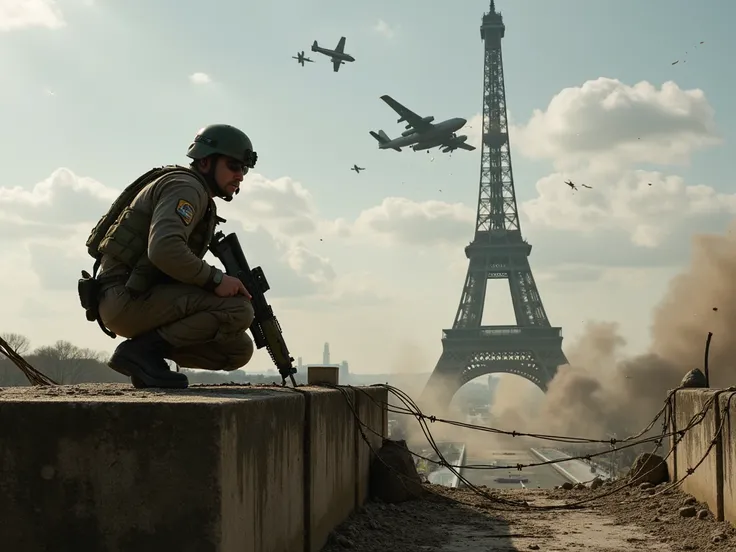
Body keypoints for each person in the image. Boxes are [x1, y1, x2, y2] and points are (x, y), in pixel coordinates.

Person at [95, 124, 258, 389]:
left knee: (237, 348)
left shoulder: (191, 189)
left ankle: (146, 360)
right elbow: (164, 249)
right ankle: (140, 353)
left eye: (244, 169)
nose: (240, 176)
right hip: (126, 297)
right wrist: (217, 280)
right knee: (238, 310)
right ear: (206, 161)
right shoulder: (186, 187)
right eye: (233, 166)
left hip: (135, 295)